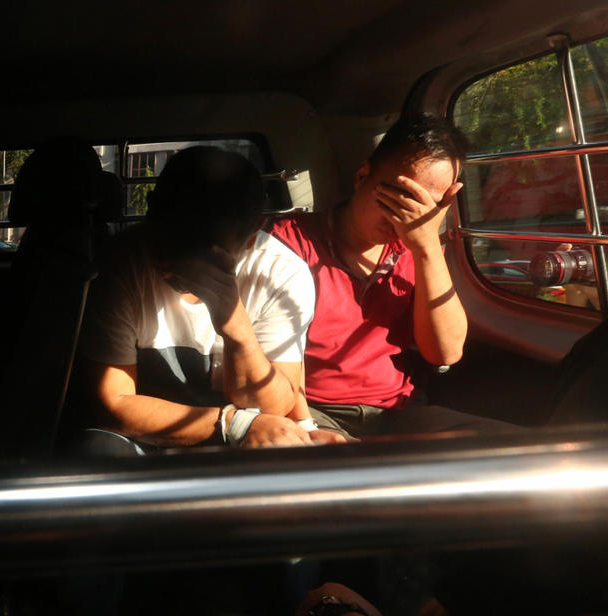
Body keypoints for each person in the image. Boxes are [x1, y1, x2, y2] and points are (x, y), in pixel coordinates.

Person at [73, 146, 342, 454]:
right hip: (143, 441)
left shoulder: (281, 273)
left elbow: (274, 407)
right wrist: (233, 424)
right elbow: (112, 405)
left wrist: (235, 325)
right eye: (169, 241)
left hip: (239, 445)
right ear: (151, 210)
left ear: (253, 234)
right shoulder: (120, 265)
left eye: (206, 254)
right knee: (96, 448)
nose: (181, 265)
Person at [270, 114, 513, 437]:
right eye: (397, 196)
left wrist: (427, 245)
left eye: (423, 206)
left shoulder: (419, 249)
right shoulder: (285, 243)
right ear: (362, 176)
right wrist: (304, 425)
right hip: (313, 410)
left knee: (516, 448)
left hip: (398, 410)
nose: (403, 216)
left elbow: (446, 352)